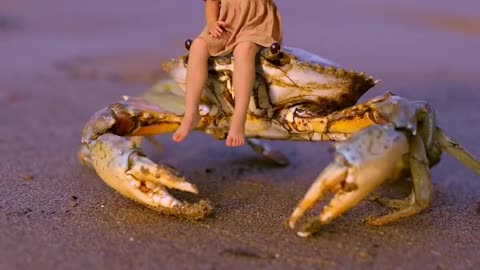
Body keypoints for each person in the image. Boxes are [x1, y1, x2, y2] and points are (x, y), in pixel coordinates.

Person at [172, 0, 282, 147]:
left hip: (256, 22)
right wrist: (211, 22)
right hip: (226, 21)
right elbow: (211, 2)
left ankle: (239, 117)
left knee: (244, 50)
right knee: (198, 46)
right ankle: (191, 112)